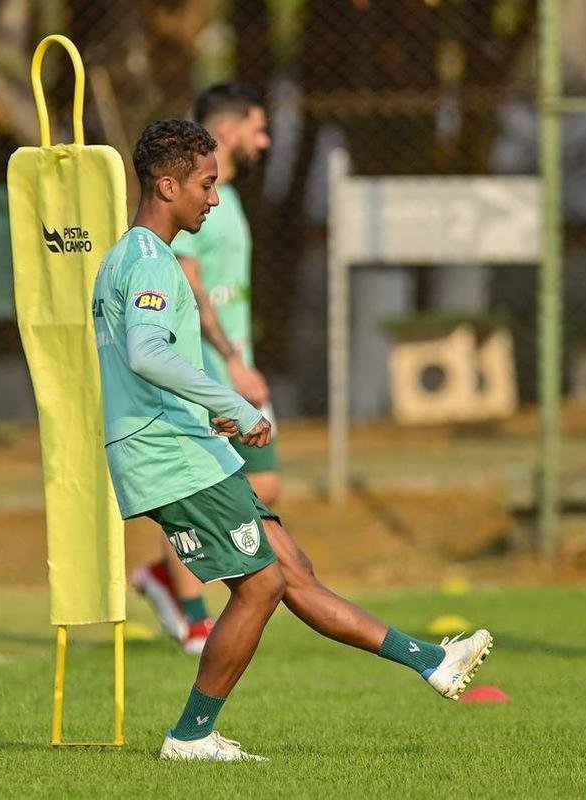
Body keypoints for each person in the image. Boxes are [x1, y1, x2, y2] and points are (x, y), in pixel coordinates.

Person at [92, 119, 493, 761]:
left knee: (290, 568)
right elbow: (147, 354)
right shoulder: (145, 258)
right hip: (168, 454)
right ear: (166, 185)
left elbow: (146, 363)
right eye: (205, 184)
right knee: (261, 587)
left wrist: (207, 415)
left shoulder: (139, 257)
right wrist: (230, 401)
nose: (214, 198)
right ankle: (190, 735)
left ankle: (430, 661)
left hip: (186, 443)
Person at [130, 83, 277, 655]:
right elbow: (183, 285)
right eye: (259, 127)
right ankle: (192, 610)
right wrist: (232, 367)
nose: (265, 140)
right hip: (212, 375)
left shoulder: (225, 199)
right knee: (217, 497)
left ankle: (177, 583)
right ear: (233, 127)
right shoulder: (158, 240)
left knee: (264, 494)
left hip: (235, 372)